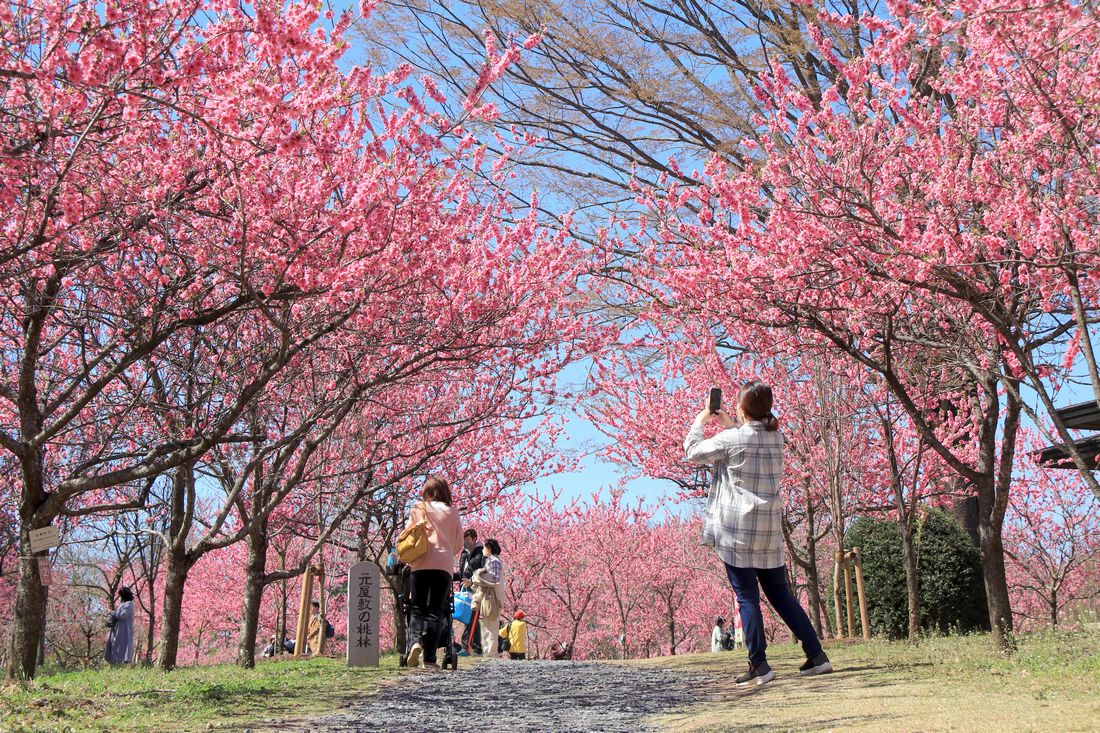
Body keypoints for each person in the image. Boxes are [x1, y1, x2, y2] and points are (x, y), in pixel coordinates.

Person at [685, 380, 833, 686]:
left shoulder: (733, 439)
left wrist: (701, 420)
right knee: (781, 595)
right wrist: (730, 422)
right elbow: (745, 440)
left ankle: (760, 665)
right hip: (767, 529)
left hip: (737, 531)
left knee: (746, 597)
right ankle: (817, 655)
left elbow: (693, 452)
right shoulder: (776, 437)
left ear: (742, 408)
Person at [404, 476, 463, 670]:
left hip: (420, 563)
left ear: (428, 493)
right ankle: (429, 659)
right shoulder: (452, 512)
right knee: (436, 611)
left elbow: (409, 536)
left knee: (417, 608)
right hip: (443, 565)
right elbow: (458, 545)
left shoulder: (418, 508)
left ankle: (415, 643)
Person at [465, 537, 504, 658]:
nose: (483, 550)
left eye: (485, 548)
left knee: (491, 626)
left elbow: (494, 578)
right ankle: (488, 652)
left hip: (492, 597)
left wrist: (478, 576)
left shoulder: (494, 561)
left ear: (489, 548)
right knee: (486, 625)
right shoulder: (491, 560)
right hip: (488, 597)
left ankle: (491, 653)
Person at [456, 529, 485, 654]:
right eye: (464, 540)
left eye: (468, 540)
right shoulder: (464, 554)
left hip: (476, 590)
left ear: (474, 539)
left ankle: (465, 647)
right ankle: (477, 648)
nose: (465, 542)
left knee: (471, 618)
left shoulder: (481, 553)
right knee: (471, 618)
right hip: (464, 591)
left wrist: (472, 582)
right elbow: (462, 573)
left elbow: (484, 572)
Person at [104, 587, 135, 665]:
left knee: (121, 645)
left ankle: (120, 663)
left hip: (124, 629)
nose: (120, 597)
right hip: (120, 628)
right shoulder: (125, 604)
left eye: (121, 595)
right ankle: (115, 662)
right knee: (115, 644)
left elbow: (121, 615)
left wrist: (112, 612)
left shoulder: (129, 604)